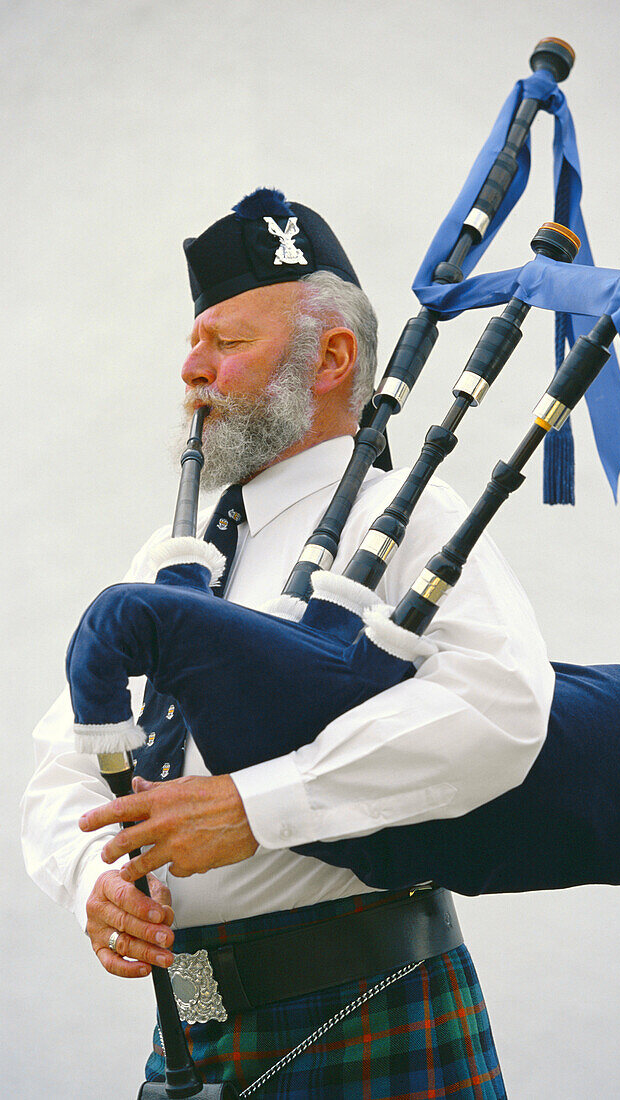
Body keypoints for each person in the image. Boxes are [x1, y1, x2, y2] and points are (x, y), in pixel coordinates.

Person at [22, 188, 555, 1096]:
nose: (193, 369)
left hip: (369, 1004)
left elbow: (500, 708)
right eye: (193, 344)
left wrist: (254, 805)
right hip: (190, 1028)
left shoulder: (408, 517)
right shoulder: (171, 556)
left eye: (227, 344)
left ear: (332, 358)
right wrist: (88, 881)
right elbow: (65, 767)